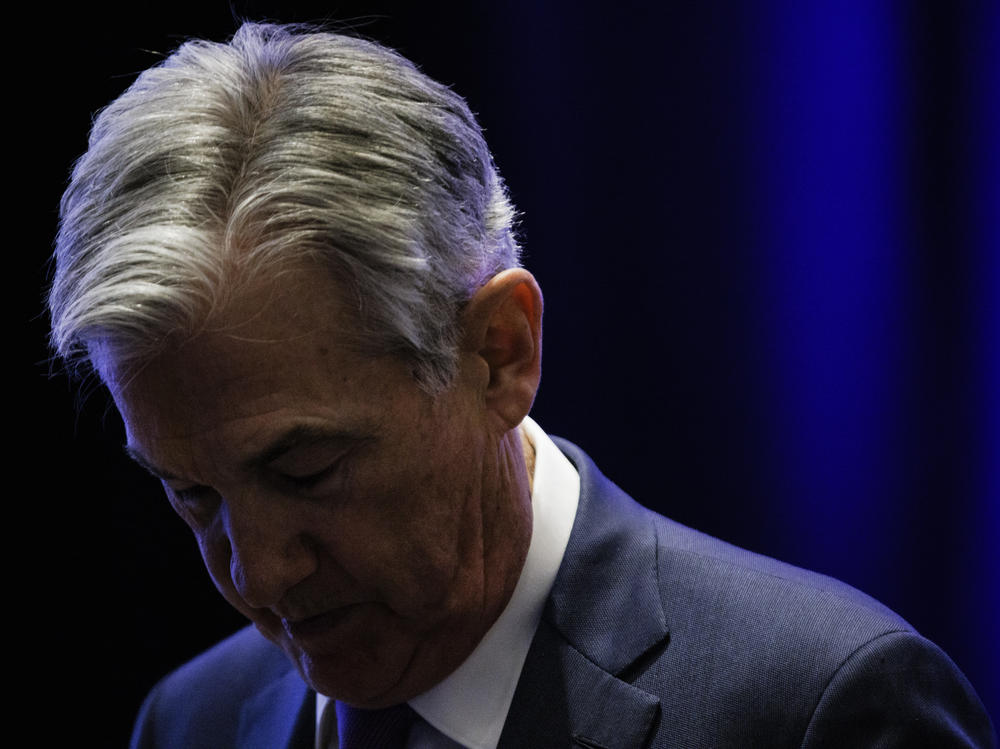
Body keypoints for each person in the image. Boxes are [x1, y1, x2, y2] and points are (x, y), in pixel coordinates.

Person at [49, 22, 995, 749]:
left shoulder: (823, 708)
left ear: (499, 352)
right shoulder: (191, 722)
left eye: (305, 469)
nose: (256, 573)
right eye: (193, 493)